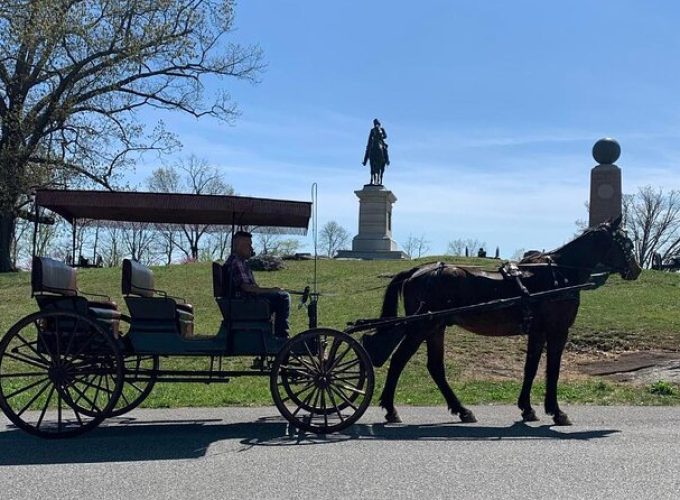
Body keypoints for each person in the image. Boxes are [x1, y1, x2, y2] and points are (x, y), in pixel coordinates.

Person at [225, 231, 290, 338]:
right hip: (245, 304)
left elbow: (253, 287)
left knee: (279, 295)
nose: (251, 248)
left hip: (247, 302)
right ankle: (282, 337)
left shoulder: (242, 263)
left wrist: (272, 290)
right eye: (248, 245)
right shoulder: (236, 262)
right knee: (283, 297)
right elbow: (247, 288)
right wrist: (271, 290)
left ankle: (277, 334)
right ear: (237, 246)